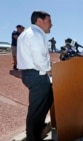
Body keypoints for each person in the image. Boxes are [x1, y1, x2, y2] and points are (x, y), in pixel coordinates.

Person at [16, 11, 54, 141]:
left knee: (47, 99)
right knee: (36, 109)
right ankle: (33, 137)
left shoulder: (26, 33)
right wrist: (52, 69)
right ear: (39, 20)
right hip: (36, 75)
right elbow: (39, 59)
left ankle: (38, 129)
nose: (52, 24)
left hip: (32, 74)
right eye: (49, 21)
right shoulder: (36, 34)